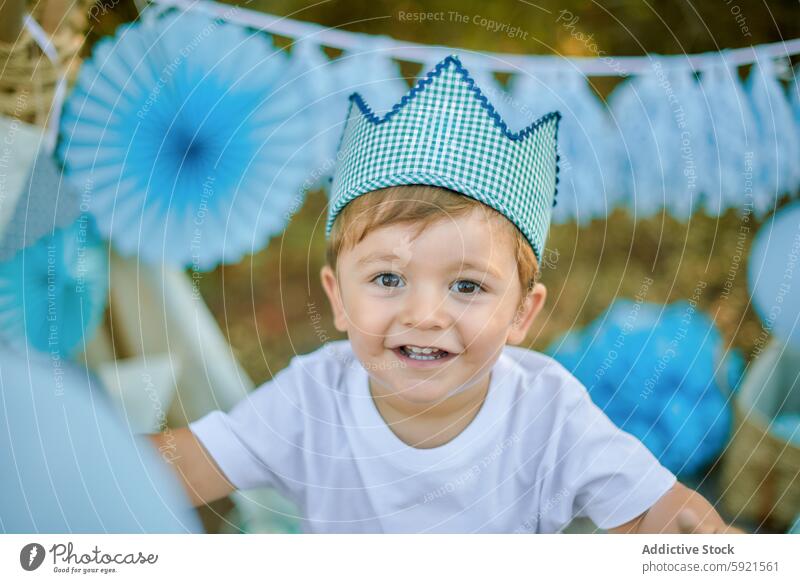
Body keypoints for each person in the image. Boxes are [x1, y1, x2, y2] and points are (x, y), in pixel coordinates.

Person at [150, 55, 741, 534]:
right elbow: (176, 466)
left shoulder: (548, 414)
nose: (424, 315)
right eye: (387, 279)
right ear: (336, 297)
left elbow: (667, 523)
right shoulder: (312, 398)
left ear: (522, 313)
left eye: (467, 285)